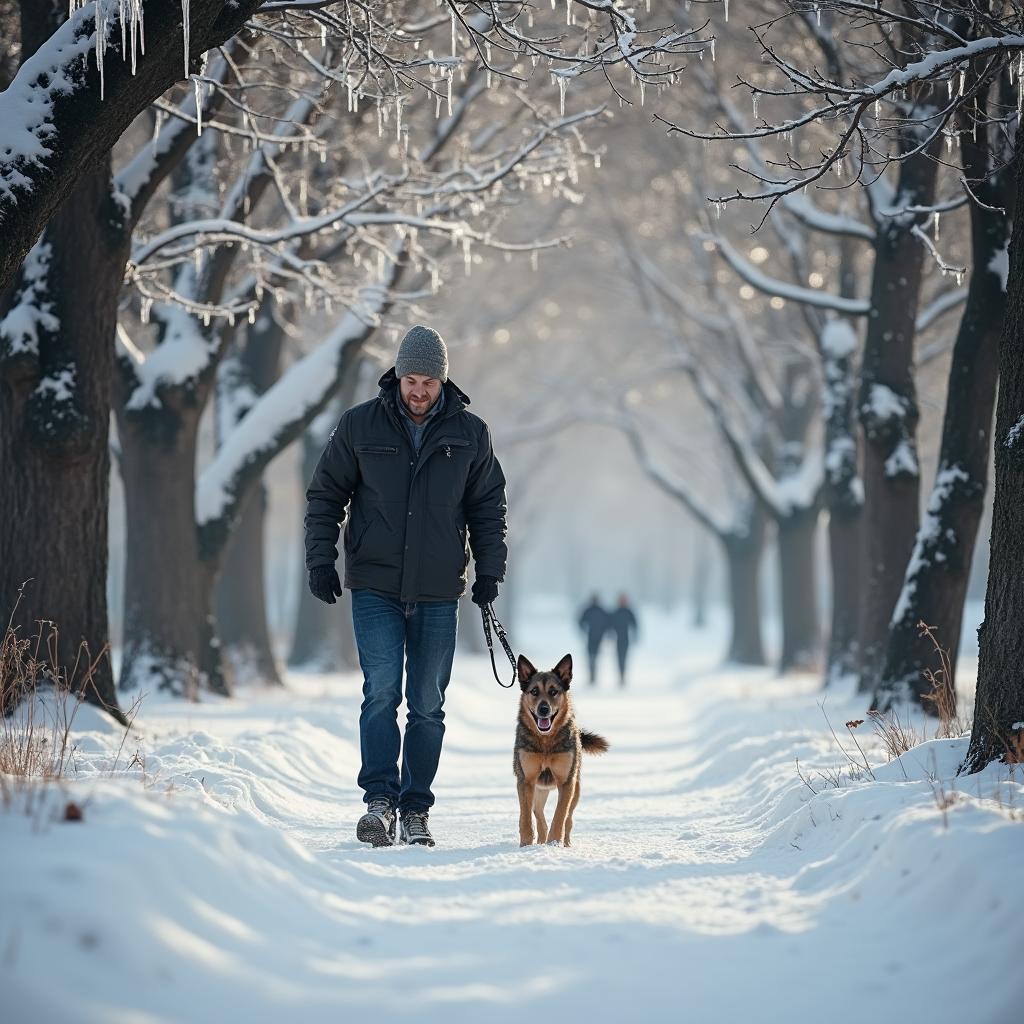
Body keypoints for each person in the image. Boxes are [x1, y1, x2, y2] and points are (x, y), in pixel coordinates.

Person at [304, 325, 508, 848]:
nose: (418, 391)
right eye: (411, 380)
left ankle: (416, 807)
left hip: (440, 589)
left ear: (444, 381)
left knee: (427, 703)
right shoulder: (359, 425)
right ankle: (379, 802)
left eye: (429, 382)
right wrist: (320, 561)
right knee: (381, 693)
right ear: (396, 375)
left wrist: (489, 573)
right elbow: (326, 495)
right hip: (375, 584)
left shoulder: (470, 433)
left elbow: (489, 509)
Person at [577, 594, 609, 685]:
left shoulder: (596, 610)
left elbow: (608, 623)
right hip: (591, 637)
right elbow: (580, 621)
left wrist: (605, 631)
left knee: (593, 657)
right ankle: (592, 676)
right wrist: (584, 630)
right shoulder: (591, 610)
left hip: (597, 637)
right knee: (592, 657)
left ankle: (593, 676)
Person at [608, 593, 638, 687]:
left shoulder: (629, 611)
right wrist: (610, 635)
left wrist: (635, 634)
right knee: (619, 658)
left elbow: (635, 624)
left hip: (625, 638)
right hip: (617, 638)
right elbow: (610, 624)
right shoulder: (615, 612)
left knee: (624, 657)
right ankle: (620, 676)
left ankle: (623, 676)